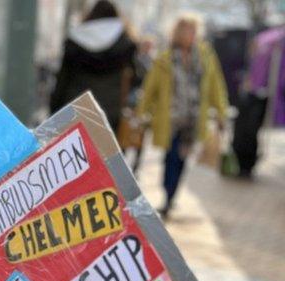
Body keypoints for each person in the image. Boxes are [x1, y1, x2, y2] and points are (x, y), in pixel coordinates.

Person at [137, 13, 229, 218]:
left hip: (194, 118)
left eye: (194, 30)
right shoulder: (166, 58)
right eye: (187, 30)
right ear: (179, 33)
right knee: (170, 157)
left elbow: (216, 85)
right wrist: (141, 113)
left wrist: (221, 112)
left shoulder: (205, 55)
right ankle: (168, 194)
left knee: (182, 159)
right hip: (170, 118)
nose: (191, 34)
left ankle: (172, 195)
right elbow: (150, 88)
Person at [49, 0, 137, 133]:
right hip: (110, 111)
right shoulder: (125, 45)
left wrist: (54, 109)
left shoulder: (75, 41)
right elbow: (134, 78)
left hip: (75, 107)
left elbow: (63, 80)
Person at [232, 24, 285, 178]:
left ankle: (246, 166)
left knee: (250, 129)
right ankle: (242, 164)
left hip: (265, 94)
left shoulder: (275, 42)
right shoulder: (267, 40)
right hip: (254, 92)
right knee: (243, 129)